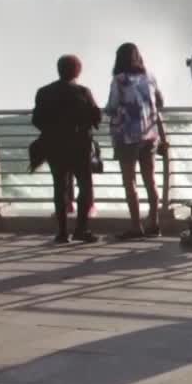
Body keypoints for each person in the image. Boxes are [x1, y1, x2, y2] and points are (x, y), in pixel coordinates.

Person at [33, 55, 102, 243]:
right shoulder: (83, 92)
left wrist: (54, 131)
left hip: (55, 146)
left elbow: (36, 120)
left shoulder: (44, 92)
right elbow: (96, 118)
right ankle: (81, 229)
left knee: (59, 188)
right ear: (77, 71)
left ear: (59, 69)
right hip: (80, 146)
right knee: (85, 188)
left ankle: (62, 232)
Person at [104, 42, 168, 239]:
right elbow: (160, 102)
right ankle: (154, 223)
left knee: (130, 181)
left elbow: (112, 106)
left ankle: (135, 226)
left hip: (127, 136)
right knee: (150, 180)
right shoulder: (149, 77)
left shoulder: (119, 80)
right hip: (150, 134)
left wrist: (109, 111)